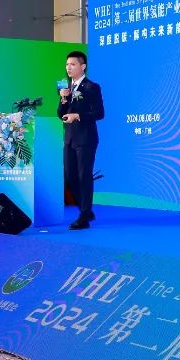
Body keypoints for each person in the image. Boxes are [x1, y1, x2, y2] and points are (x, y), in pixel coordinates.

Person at [58, 51, 104, 230]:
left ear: (82, 66)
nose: (68, 67)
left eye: (73, 64)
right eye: (67, 64)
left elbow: (99, 113)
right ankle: (86, 209)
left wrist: (77, 115)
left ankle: (84, 216)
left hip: (86, 138)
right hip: (69, 138)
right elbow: (61, 114)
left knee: (84, 175)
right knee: (70, 176)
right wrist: (63, 99)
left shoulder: (92, 87)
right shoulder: (67, 87)